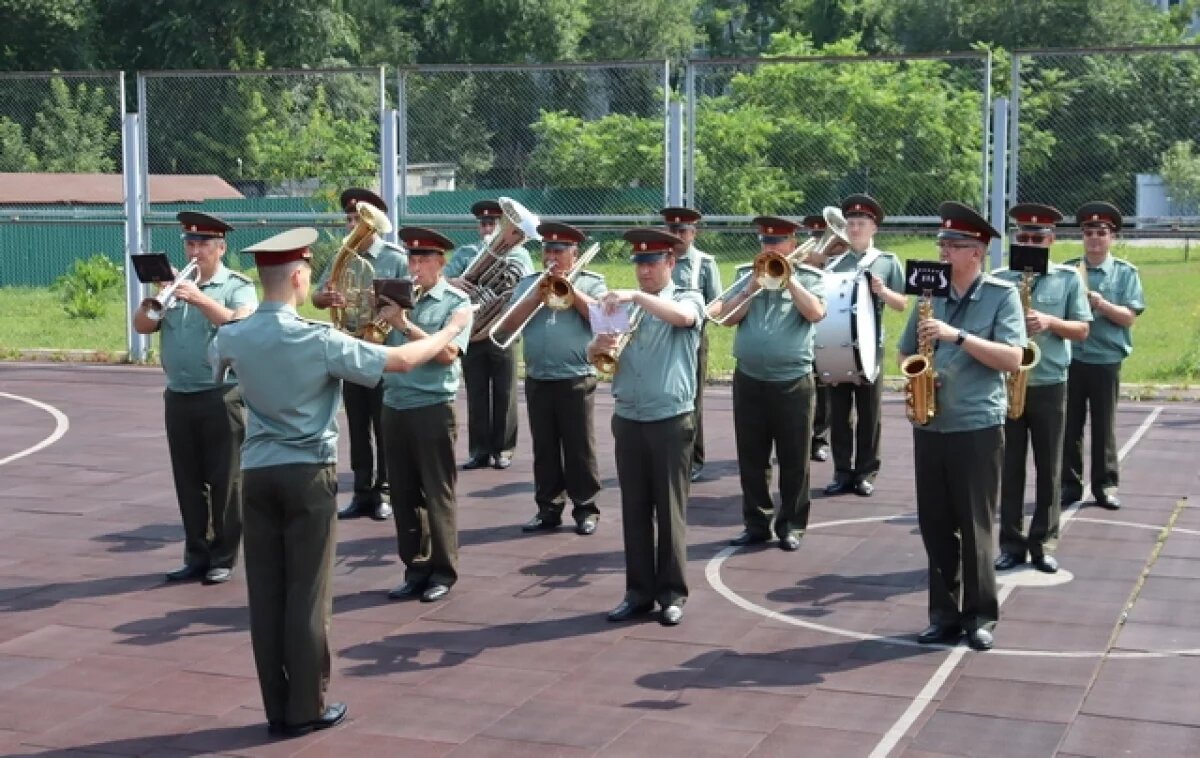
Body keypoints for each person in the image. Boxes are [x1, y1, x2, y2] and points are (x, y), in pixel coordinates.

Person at [210, 227, 470, 737]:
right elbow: (398, 361)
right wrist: (451, 330)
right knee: (308, 593)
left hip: (257, 472)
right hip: (307, 473)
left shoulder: (233, 334)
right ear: (301, 275)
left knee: (265, 596)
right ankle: (306, 707)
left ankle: (276, 707)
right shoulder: (318, 338)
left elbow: (215, 367)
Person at [897, 201, 1025, 652]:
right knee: (935, 524)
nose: (945, 250)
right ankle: (943, 615)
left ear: (979, 250)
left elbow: (1013, 357)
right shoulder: (928, 295)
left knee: (975, 526)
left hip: (976, 424)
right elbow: (902, 350)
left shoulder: (1001, 295)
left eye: (955, 244)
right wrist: (917, 377)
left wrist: (958, 337)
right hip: (931, 424)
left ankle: (980, 615)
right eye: (943, 243)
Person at [587, 228, 705, 626]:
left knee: (670, 510)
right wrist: (595, 348)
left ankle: (672, 594)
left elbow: (685, 318)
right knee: (634, 510)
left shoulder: (687, 297)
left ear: (671, 262)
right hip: (629, 416)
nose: (644, 272)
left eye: (652, 263)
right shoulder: (624, 308)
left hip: (671, 418)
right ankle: (638, 592)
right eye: (639, 265)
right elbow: (594, 351)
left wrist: (637, 297)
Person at [134, 211, 257, 585]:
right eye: (190, 242)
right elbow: (143, 326)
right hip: (179, 395)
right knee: (188, 480)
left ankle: (223, 555)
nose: (195, 250)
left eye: (204, 243)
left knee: (225, 480)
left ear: (221, 247)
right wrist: (156, 299)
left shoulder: (238, 285)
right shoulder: (173, 287)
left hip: (221, 394)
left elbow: (239, 324)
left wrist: (199, 298)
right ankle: (196, 553)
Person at [709, 216, 826, 552]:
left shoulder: (810, 277)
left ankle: (792, 525)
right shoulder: (747, 273)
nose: (770, 248)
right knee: (752, 456)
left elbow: (816, 313)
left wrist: (788, 280)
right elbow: (724, 318)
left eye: (777, 242)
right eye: (765, 242)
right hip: (750, 379)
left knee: (794, 458)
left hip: (792, 381)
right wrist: (750, 289)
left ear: (792, 244)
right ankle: (756, 523)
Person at [994, 204, 1091, 574]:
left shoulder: (1067, 279)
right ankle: (1012, 544)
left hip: (1050, 383)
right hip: (1008, 382)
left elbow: (1083, 330)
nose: (1031, 243)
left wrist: (1050, 321)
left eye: (1038, 238)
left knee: (1049, 467)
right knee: (1010, 467)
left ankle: (1044, 542)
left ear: (1051, 240)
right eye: (1024, 237)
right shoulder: (1002, 277)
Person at [495, 222, 606, 536]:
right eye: (548, 250)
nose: (552, 256)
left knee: (579, 446)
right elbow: (507, 323)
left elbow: (602, 318)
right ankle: (548, 509)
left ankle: (586, 509)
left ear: (575, 253)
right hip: (538, 376)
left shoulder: (592, 282)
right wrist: (536, 297)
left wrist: (570, 290)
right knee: (544, 448)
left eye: (560, 250)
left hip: (576, 376)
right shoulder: (530, 283)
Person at [382, 226, 474, 604]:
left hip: (432, 406)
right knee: (403, 495)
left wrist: (404, 325)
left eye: (423, 259)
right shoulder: (395, 297)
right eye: (412, 259)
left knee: (437, 492)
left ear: (441, 262)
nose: (415, 266)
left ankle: (443, 570)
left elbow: (447, 354)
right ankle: (415, 567)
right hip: (394, 404)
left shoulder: (456, 304)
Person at [311, 187, 408, 522]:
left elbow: (406, 303)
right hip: (351, 348)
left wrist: (378, 305)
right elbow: (317, 295)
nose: (353, 227)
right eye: (350, 220)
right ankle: (363, 492)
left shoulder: (395, 258)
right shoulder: (343, 256)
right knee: (356, 425)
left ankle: (384, 491)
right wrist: (329, 299)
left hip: (382, 351)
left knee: (383, 425)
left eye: (359, 220)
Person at [1060, 202, 1145, 511]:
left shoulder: (1124, 273)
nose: (1094, 238)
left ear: (1112, 237)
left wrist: (1101, 304)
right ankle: (1068, 485)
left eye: (1101, 233)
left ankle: (1105, 485)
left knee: (1103, 426)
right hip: (1072, 358)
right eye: (1089, 233)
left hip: (1105, 359)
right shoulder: (1069, 271)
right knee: (1069, 426)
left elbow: (1129, 317)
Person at [823, 194, 906, 498]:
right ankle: (842, 471)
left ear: (874, 229)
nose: (856, 228)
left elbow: (902, 304)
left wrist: (882, 290)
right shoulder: (835, 264)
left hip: (872, 347)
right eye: (852, 223)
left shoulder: (886, 261)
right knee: (840, 412)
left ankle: (866, 472)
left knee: (870, 412)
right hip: (838, 345)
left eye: (862, 223)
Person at [445, 199, 535, 470]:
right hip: (472, 330)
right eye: (483, 224)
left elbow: (527, 288)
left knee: (505, 390)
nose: (487, 228)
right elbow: (441, 280)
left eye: (493, 224)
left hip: (503, 328)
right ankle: (479, 450)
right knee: (476, 391)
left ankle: (503, 449)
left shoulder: (519, 256)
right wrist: (454, 282)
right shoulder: (464, 253)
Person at [661, 206, 721, 482]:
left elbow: (719, 302)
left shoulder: (705, 264)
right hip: (659, 338)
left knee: (691, 401)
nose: (677, 235)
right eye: (672, 230)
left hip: (692, 340)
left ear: (693, 233)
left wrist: (698, 315)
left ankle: (694, 459)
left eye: (682, 230)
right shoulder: (659, 259)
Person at [800, 212, 848, 463]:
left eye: (824, 234)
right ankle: (801, 437)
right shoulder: (803, 258)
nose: (819, 239)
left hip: (830, 325)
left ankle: (819, 439)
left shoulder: (840, 259)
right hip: (802, 324)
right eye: (815, 234)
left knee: (824, 385)